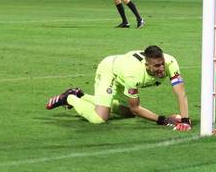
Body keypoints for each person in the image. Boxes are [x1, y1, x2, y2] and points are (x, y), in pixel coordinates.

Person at [46, 45, 191, 130]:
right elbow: (136, 108)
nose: (161, 69)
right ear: (147, 65)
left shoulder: (171, 63)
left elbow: (181, 93)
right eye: (157, 66)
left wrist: (185, 120)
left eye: (162, 63)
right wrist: (164, 120)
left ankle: (80, 95)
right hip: (110, 71)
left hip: (121, 71)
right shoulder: (133, 74)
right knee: (100, 118)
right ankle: (70, 98)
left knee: (127, 113)